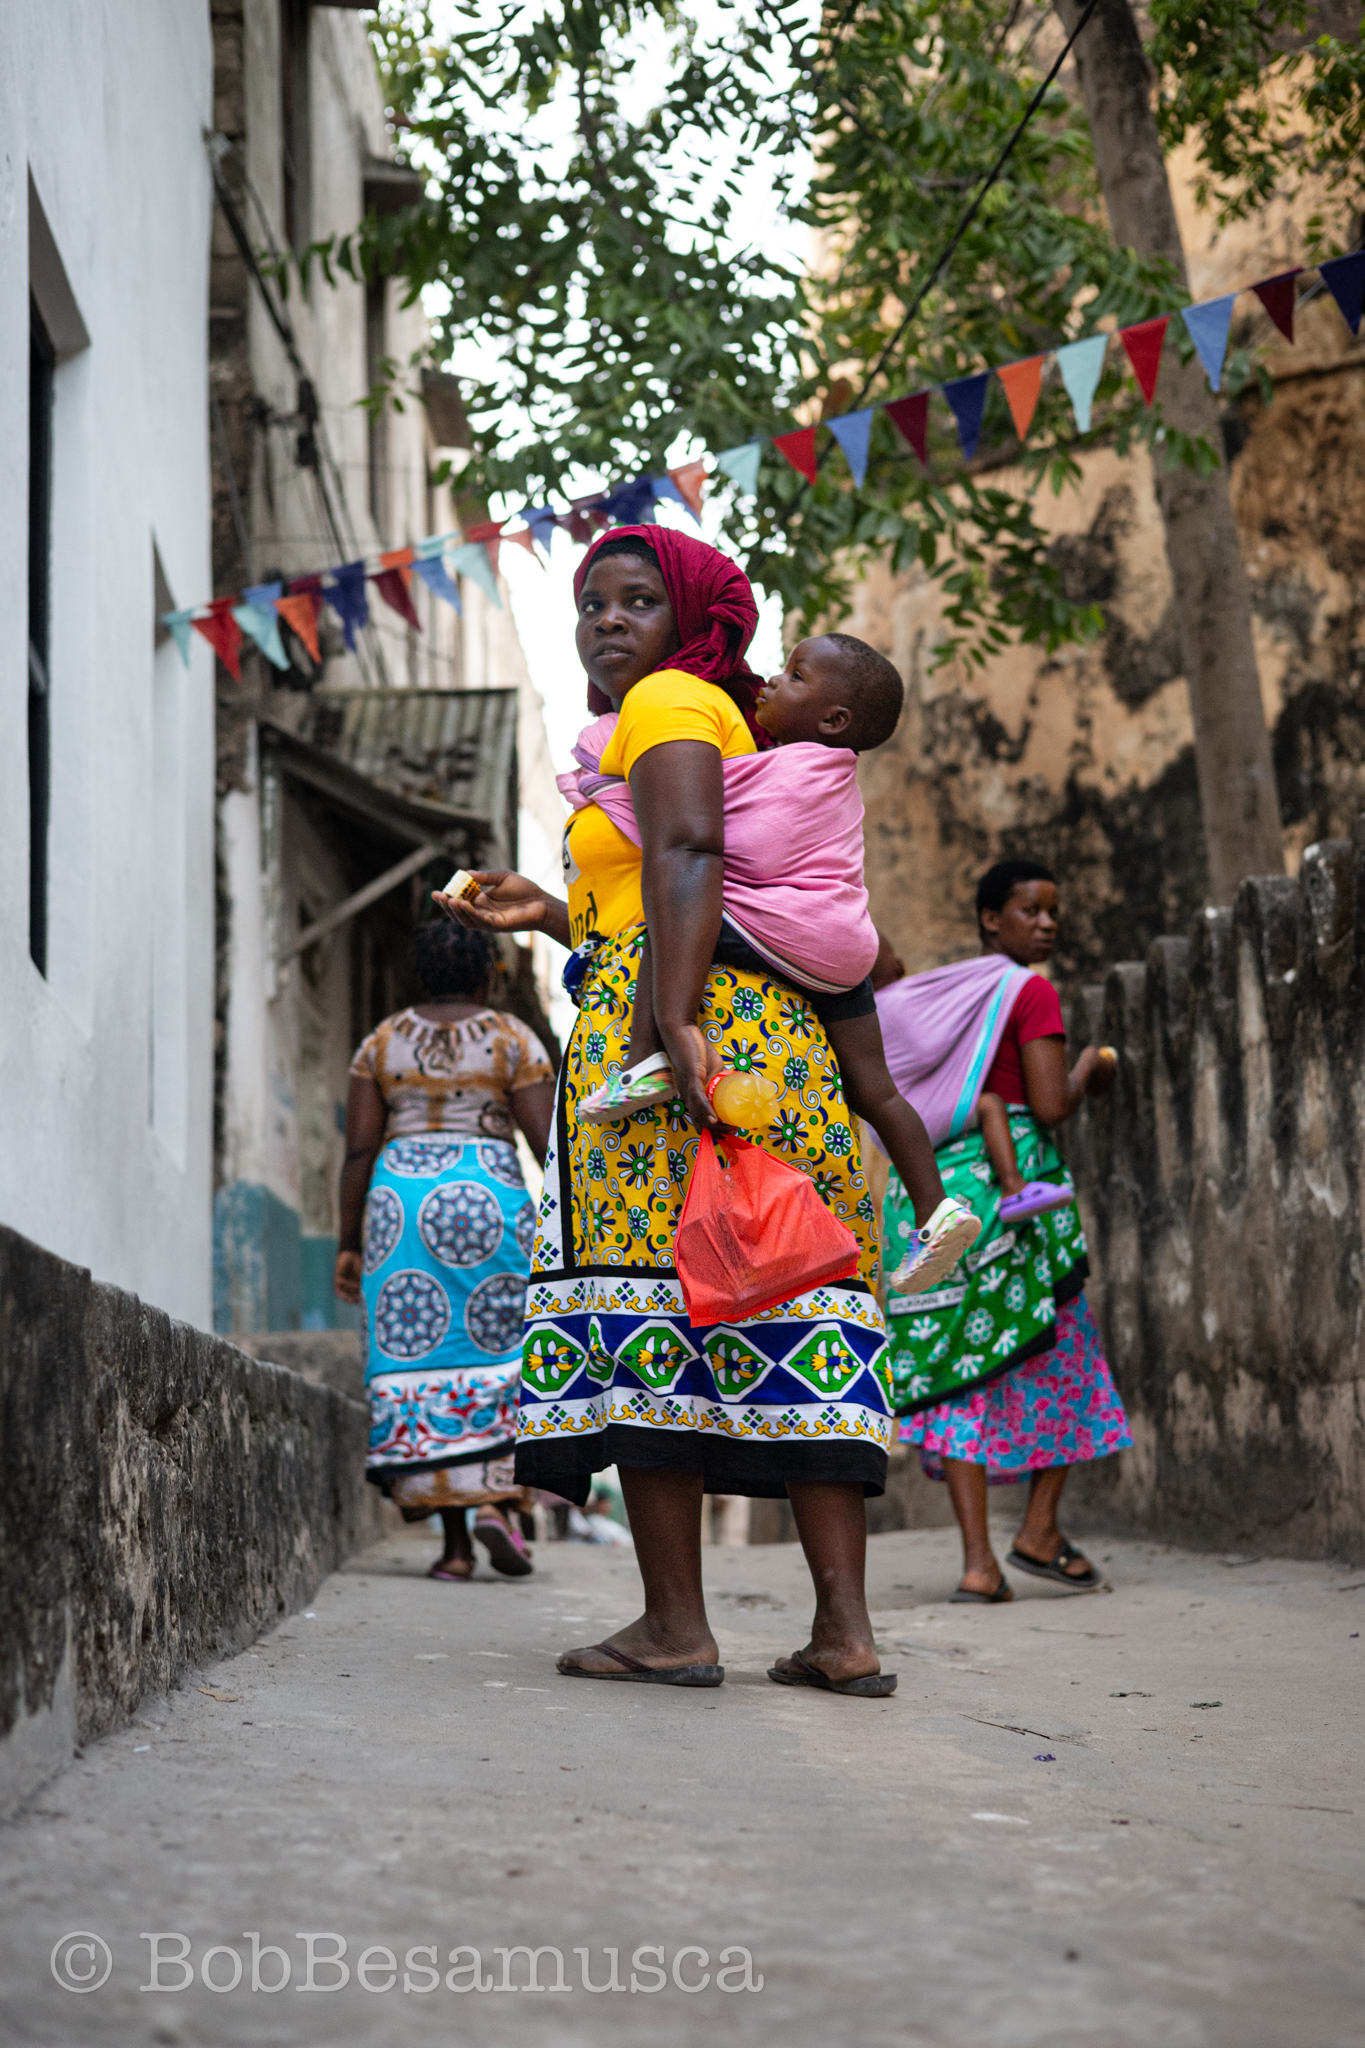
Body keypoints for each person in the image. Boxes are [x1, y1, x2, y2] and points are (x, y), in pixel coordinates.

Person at [441, 524, 898, 1695]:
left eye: (638, 598)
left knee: (651, 1310)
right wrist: (556, 911)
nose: (606, 617)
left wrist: (672, 1023)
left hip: (674, 1041)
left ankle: (675, 1625)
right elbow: (687, 883)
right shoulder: (728, 720)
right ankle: (843, 1633)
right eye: (591, 600)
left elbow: (690, 852)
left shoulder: (668, 704)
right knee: (792, 1302)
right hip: (769, 1042)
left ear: (695, 620)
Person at [563, 627, 980, 1292]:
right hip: (841, 946)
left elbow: (702, 831)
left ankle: (645, 1060)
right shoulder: (831, 773)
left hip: (792, 933)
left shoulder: (794, 769)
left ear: (832, 719)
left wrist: (616, 792)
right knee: (876, 1089)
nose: (772, 682)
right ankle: (936, 1208)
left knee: (668, 919)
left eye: (794, 676)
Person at [876, 858, 1133, 1602]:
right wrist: (1091, 1070)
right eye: (1030, 910)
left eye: (1053, 912)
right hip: (1012, 1193)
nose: (1046, 924)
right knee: (1065, 1352)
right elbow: (1049, 1106)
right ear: (991, 920)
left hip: (928, 1195)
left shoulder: (939, 1002)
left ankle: (979, 1565)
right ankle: (1039, 1530)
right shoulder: (1028, 991)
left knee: (958, 1368)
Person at [334, 919, 555, 1581]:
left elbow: (358, 1150)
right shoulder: (512, 1038)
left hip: (400, 1208)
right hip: (490, 1201)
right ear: (488, 975)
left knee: (419, 1356)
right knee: (505, 1351)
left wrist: (349, 1242)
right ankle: (498, 1504)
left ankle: (455, 1548)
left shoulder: (382, 1041)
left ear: (420, 976)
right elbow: (547, 1144)